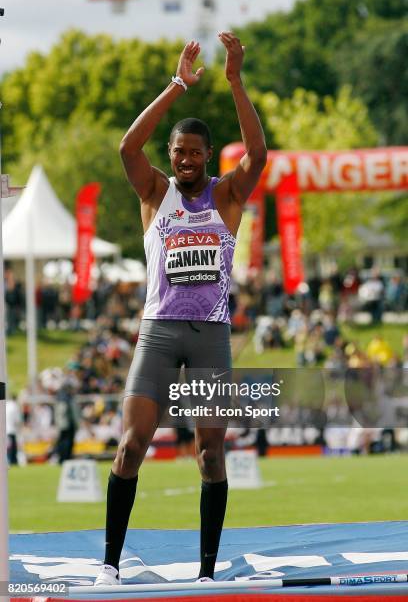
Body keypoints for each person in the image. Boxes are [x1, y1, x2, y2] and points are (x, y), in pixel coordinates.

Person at [95, 32, 266, 586]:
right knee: (129, 448)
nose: (186, 159)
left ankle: (208, 573)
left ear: (207, 157)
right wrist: (177, 85)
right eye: (178, 151)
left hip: (211, 336)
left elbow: (260, 155)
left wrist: (235, 81)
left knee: (210, 455)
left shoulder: (227, 198)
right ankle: (110, 564)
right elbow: (126, 148)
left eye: (195, 152)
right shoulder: (155, 195)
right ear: (170, 156)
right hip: (160, 334)